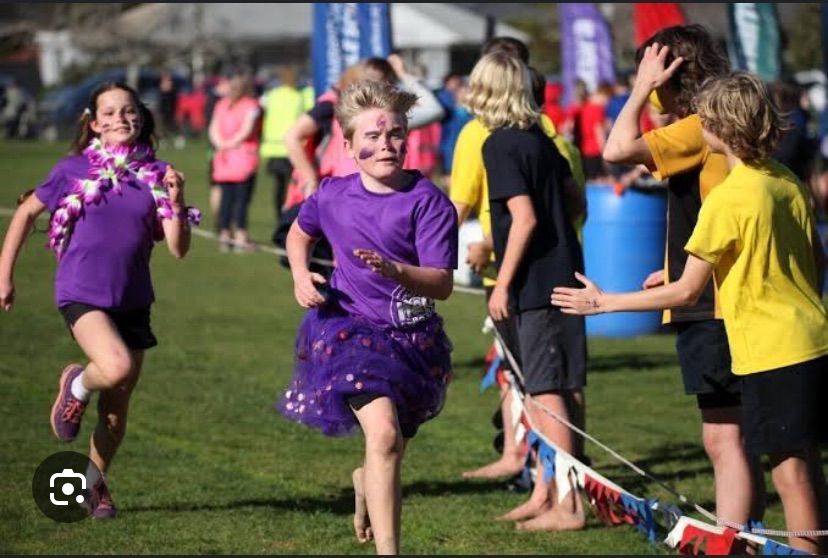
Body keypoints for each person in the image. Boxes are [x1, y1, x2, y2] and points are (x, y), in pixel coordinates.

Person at [553, 71, 827, 553]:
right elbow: (812, 260)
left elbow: (685, 293)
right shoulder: (786, 182)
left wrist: (604, 302)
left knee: (791, 478)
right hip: (812, 338)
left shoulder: (727, 198)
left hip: (773, 350)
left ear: (719, 127)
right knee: (807, 466)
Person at [0, 82, 199, 518]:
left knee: (115, 411)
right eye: (109, 113)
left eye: (129, 111)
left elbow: (179, 249)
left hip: (133, 298)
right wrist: (4, 276)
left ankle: (93, 484)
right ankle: (76, 383)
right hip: (81, 292)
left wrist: (177, 200)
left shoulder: (158, 175)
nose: (120, 119)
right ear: (95, 124)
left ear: (140, 118)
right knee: (115, 366)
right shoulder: (72, 168)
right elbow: (26, 213)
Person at [277, 79, 457, 555]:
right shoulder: (332, 195)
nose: (385, 145)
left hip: (411, 338)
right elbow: (299, 234)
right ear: (350, 145)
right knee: (385, 435)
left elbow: (441, 283)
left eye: (395, 133)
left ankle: (365, 483)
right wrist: (300, 275)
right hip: (347, 327)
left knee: (388, 448)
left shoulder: (428, 201)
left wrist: (398, 271)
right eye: (373, 137)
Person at [602, 25, 761, 529]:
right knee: (742, 434)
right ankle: (750, 532)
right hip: (724, 291)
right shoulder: (716, 127)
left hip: (712, 306)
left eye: (652, 72)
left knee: (722, 437)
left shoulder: (699, 127)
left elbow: (615, 149)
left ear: (672, 73)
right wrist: (673, 266)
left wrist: (637, 89)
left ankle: (730, 541)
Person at [454, 41, 587, 492]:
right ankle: (545, 493)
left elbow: (526, 217)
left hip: (537, 284)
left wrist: (501, 284)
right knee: (543, 391)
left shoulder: (500, 145)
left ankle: (564, 503)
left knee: (546, 395)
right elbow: (574, 202)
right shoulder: (542, 140)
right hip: (557, 274)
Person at [284, 55, 444, 198]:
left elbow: (434, 110)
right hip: (337, 194)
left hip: (364, 193)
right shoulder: (332, 105)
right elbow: (293, 136)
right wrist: (310, 179)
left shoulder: (386, 116)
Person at [208, 68, 261, 252]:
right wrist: (232, 143)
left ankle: (224, 234)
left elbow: (213, 129)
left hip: (223, 158)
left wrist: (221, 144)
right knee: (241, 199)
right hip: (243, 158)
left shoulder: (221, 104)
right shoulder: (252, 105)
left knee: (226, 198)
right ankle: (240, 235)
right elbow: (247, 130)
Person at [260, 66, 306, 223]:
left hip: (272, 147)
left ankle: (279, 216)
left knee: (278, 186)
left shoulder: (271, 95)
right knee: (291, 186)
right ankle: (288, 216)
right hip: (290, 147)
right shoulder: (298, 97)